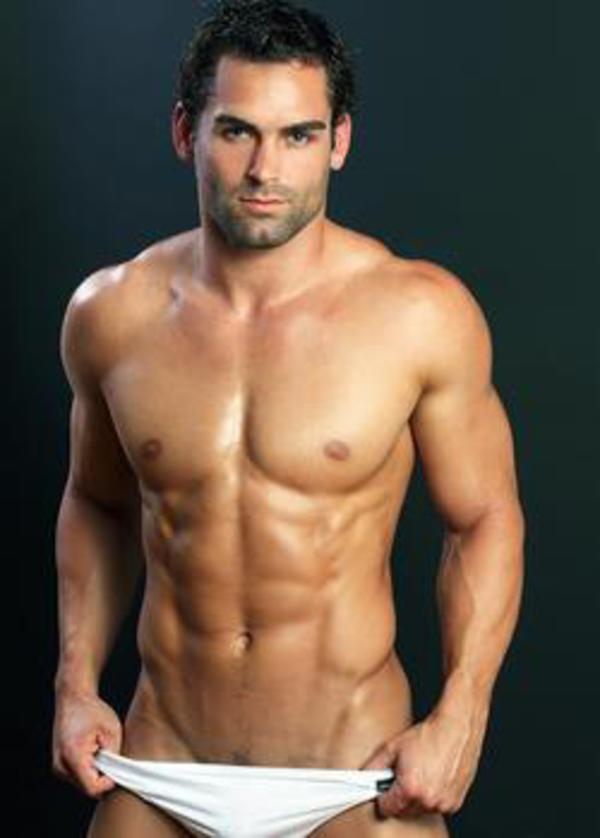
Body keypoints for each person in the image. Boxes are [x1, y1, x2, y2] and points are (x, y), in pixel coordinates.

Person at [51, 1, 525, 836]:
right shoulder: (111, 314)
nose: (265, 169)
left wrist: (463, 712)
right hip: (163, 763)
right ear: (186, 132)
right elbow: (97, 502)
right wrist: (76, 681)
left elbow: (485, 516)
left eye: (298, 136)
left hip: (353, 772)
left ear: (338, 142)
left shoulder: (419, 314)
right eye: (237, 132)